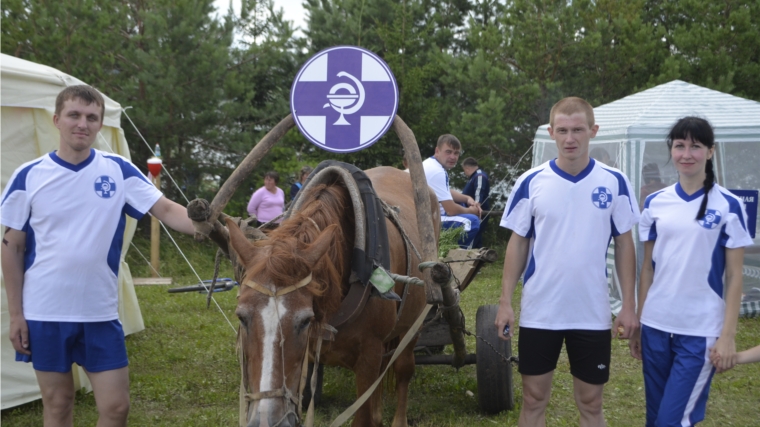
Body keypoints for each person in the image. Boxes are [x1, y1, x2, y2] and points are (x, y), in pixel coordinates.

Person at [1, 85, 196, 427]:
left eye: (92, 117)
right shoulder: (29, 176)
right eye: (74, 115)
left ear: (100, 124)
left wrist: (214, 226)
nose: (83, 124)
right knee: (58, 405)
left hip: (99, 312)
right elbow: (11, 247)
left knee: (116, 408)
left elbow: (165, 208)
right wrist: (16, 315)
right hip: (45, 312)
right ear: (57, 120)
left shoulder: (118, 171)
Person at [495, 97, 640, 427]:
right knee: (533, 400)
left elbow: (625, 245)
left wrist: (628, 305)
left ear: (593, 131)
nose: (570, 138)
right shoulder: (531, 182)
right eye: (562, 130)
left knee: (591, 403)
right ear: (551, 132)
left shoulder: (614, 182)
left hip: (591, 312)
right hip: (540, 311)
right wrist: (505, 303)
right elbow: (517, 244)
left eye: (578, 130)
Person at [629, 117, 753, 426]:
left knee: (671, 421)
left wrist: (727, 336)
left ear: (710, 152)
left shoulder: (729, 205)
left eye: (695, 146)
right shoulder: (655, 202)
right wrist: (642, 321)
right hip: (656, 326)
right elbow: (648, 268)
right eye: (679, 146)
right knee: (655, 418)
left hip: (699, 331)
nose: (686, 154)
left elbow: (735, 276)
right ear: (671, 150)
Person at [422, 134, 482, 248]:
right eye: (448, 152)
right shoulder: (437, 171)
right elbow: (451, 210)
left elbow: (445, 191)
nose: (453, 157)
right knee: (471, 222)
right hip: (423, 220)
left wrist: (466, 198)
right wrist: (471, 211)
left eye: (456, 153)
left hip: (415, 214)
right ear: (437, 151)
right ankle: (450, 258)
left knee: (462, 204)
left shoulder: (430, 164)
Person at [461, 157, 490, 248]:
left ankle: (469, 259)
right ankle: (478, 260)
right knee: (477, 236)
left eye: (464, 171)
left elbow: (479, 190)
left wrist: (477, 204)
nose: (465, 173)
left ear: (467, 168)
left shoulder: (479, 175)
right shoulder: (474, 177)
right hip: (473, 212)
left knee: (473, 236)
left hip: (478, 212)